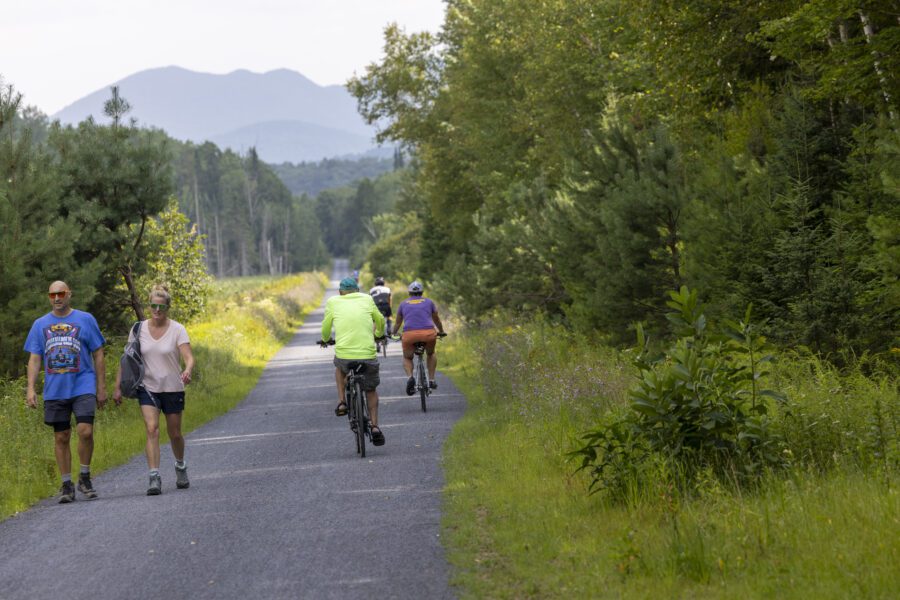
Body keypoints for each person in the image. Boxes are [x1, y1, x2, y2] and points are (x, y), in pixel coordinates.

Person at [24, 281, 106, 503]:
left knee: (85, 431)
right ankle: (67, 484)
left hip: (83, 384)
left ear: (69, 294)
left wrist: (101, 387)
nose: (57, 298)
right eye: (52, 295)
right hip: (55, 389)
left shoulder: (85, 319)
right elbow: (34, 358)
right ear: (49, 297)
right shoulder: (40, 324)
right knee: (61, 436)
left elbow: (98, 352)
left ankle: (85, 477)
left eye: (61, 293)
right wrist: (30, 388)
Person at [113, 286, 195, 495]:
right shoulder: (138, 329)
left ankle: (180, 466)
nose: (157, 310)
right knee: (152, 429)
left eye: (161, 306)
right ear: (149, 306)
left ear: (167, 307)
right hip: (147, 386)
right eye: (153, 306)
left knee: (174, 433)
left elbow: (188, 356)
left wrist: (187, 370)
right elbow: (127, 359)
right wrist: (118, 387)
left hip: (172, 387)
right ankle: (154, 476)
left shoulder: (178, 329)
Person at [321, 277, 387, 445]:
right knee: (370, 390)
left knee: (339, 368)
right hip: (367, 354)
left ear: (340, 292)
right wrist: (379, 334)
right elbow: (380, 320)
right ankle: (375, 426)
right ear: (357, 290)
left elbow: (326, 326)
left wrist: (326, 339)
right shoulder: (367, 298)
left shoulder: (333, 302)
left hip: (344, 355)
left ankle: (342, 401)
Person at [392, 280, 446, 395]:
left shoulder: (403, 304)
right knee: (430, 354)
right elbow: (436, 319)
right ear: (422, 292)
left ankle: (410, 377)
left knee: (407, 357)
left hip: (409, 335)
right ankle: (431, 380)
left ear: (409, 293)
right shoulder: (429, 302)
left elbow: (397, 323)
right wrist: (441, 331)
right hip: (428, 334)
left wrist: (393, 333)